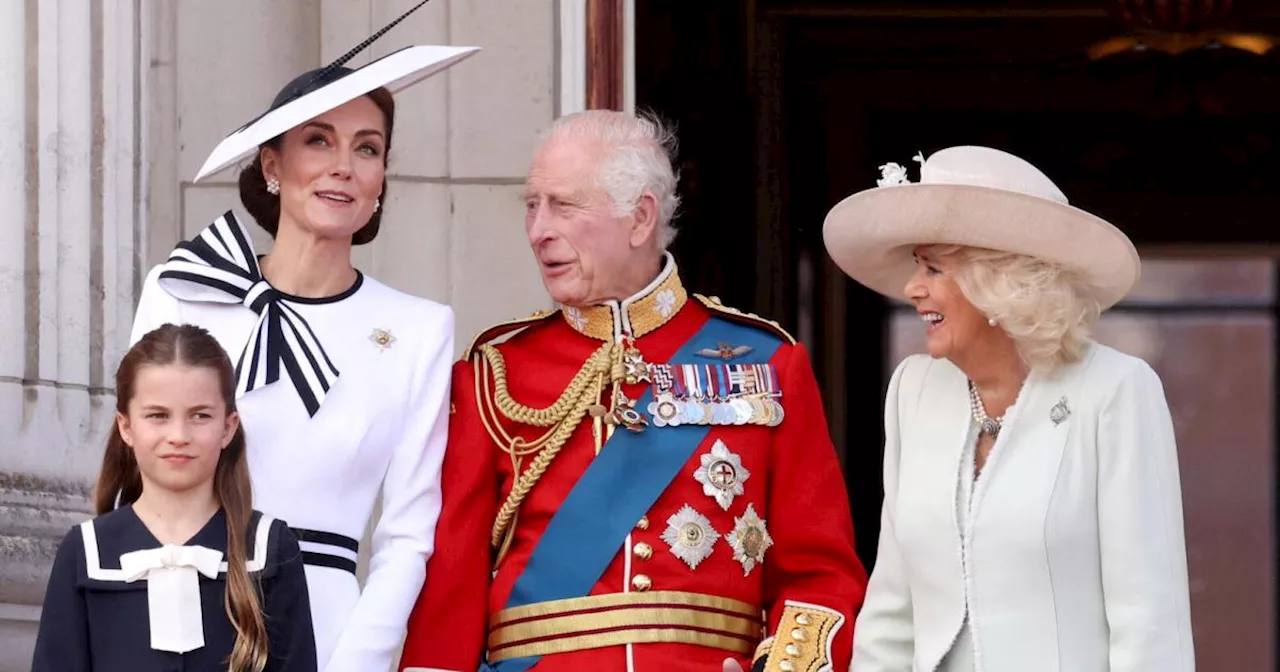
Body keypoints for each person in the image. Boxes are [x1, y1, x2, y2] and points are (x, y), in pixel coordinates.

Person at [397, 109, 868, 672]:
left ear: (640, 218)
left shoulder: (768, 362)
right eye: (532, 204)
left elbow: (819, 574)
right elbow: (452, 580)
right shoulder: (493, 372)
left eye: (564, 205)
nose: (538, 229)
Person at [127, 4, 479, 669]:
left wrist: (357, 663)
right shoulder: (183, 292)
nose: (343, 165)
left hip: (328, 630)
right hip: (178, 613)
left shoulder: (418, 328)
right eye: (319, 140)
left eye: (367, 147)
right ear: (272, 164)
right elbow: (133, 485)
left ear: (381, 181)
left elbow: (407, 533)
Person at [823, 145, 1195, 671]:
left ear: (997, 282)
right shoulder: (914, 389)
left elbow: (1150, 623)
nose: (912, 288)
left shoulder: (1115, 390)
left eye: (933, 268)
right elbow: (892, 608)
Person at [32, 323, 315, 672]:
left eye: (200, 416)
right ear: (126, 426)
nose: (178, 435)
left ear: (227, 427)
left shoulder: (269, 548)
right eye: (158, 416)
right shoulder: (86, 551)